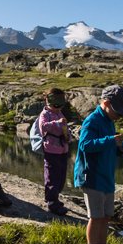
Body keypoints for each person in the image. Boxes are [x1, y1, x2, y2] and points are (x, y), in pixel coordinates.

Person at [74, 85, 123, 244]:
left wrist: (121, 149)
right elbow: (84, 145)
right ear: (106, 104)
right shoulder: (92, 120)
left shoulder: (108, 120)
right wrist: (110, 141)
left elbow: (109, 145)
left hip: (106, 176)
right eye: (118, 112)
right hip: (92, 177)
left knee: (106, 216)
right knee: (96, 216)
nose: (119, 116)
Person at [38, 88, 72, 216]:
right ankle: (52, 203)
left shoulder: (60, 113)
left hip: (63, 149)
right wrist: (56, 123)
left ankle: (55, 198)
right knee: (52, 176)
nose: (57, 107)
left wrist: (68, 136)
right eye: (55, 104)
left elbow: (65, 129)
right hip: (51, 149)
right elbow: (43, 127)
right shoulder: (45, 114)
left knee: (61, 176)